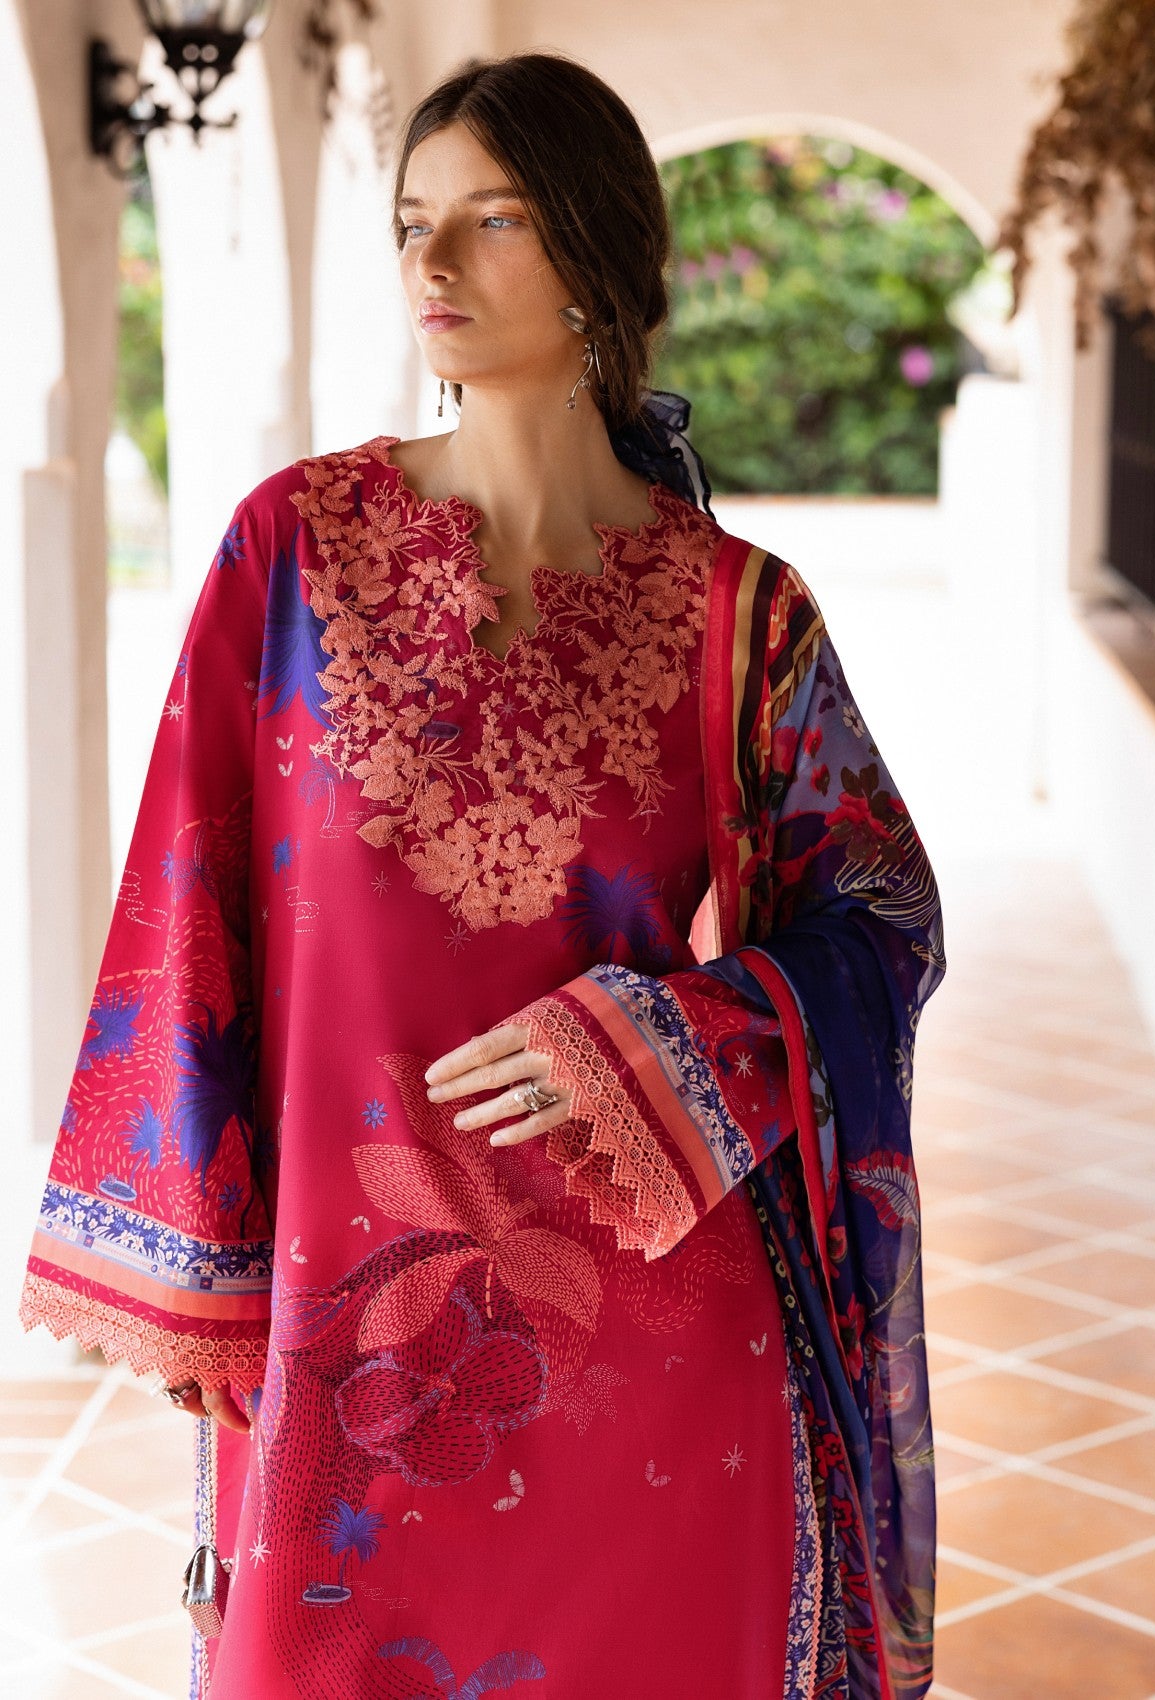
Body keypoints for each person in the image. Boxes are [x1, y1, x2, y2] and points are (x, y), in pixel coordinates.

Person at [19, 48, 946, 1700]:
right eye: (412, 223)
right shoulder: (294, 549)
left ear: (596, 252)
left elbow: (883, 915)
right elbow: (183, 905)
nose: (432, 262)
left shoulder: (740, 612)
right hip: (346, 1349)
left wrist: (672, 1043)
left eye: (493, 219)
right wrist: (197, 1265)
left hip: (656, 1354)